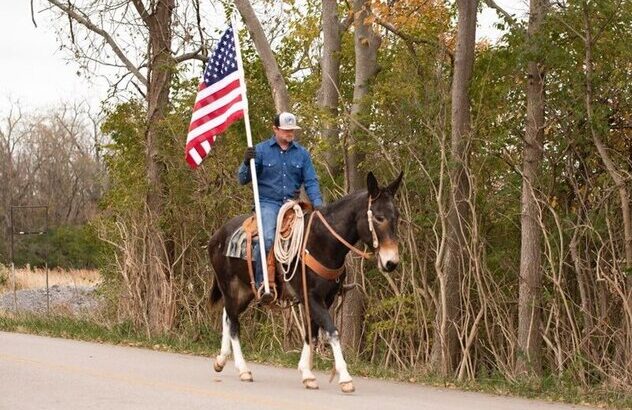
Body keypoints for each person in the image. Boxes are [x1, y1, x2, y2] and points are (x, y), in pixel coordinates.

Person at [237, 112, 323, 301]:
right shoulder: (260, 150)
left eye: (292, 130)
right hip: (267, 203)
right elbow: (242, 179)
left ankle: (311, 283)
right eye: (285, 130)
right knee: (267, 238)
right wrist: (246, 162)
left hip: (293, 205)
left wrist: (318, 204)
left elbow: (310, 181)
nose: (289, 133)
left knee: (312, 237)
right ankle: (263, 284)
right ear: (275, 129)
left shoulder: (302, 154)